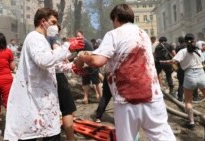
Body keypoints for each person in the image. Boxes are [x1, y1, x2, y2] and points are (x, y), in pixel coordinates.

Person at [74, 4, 176, 141]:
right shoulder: (143, 33)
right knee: (162, 137)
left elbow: (97, 61)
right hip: (153, 97)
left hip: (127, 100)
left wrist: (82, 57)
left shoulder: (114, 34)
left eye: (113, 21)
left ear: (116, 18)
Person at [4, 8, 83, 141]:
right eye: (53, 22)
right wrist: (67, 47)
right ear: (43, 21)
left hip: (44, 99)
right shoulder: (34, 37)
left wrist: (71, 67)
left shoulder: (43, 40)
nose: (56, 27)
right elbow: (43, 60)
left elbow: (51, 64)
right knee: (35, 133)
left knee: (50, 132)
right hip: (35, 98)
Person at [161, 33, 205, 128]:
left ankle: (191, 122)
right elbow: (202, 60)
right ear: (194, 40)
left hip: (189, 76)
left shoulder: (182, 51)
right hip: (201, 75)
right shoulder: (198, 50)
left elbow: (174, 62)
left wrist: (167, 61)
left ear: (185, 41)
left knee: (188, 101)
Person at [46, 24, 77, 141]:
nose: (57, 33)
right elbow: (58, 61)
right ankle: (70, 138)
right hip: (58, 77)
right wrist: (74, 64)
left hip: (45, 79)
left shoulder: (39, 40)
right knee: (67, 109)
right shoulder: (53, 39)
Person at [76, 30, 102, 104]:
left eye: (79, 36)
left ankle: (101, 97)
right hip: (86, 64)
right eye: (77, 36)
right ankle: (86, 98)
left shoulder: (83, 42)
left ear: (82, 35)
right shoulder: (80, 43)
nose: (77, 37)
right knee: (86, 81)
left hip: (91, 63)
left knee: (96, 81)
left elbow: (78, 54)